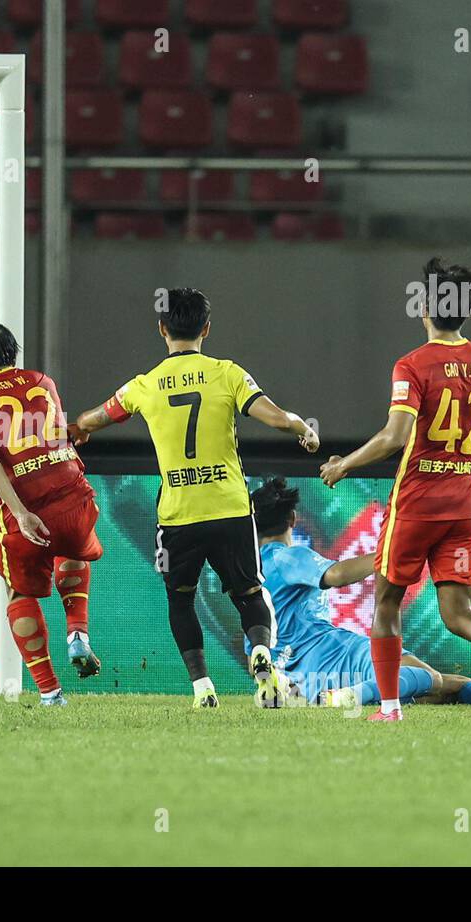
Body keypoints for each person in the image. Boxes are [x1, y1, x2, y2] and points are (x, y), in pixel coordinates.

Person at [70, 287, 319, 709]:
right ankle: (259, 649)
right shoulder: (227, 373)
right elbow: (277, 416)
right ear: (206, 328)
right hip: (230, 509)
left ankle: (202, 687)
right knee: (249, 593)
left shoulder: (143, 385)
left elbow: (94, 417)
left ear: (161, 328)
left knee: (180, 599)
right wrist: (303, 430)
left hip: (178, 516)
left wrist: (81, 428)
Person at [320, 258, 471, 723]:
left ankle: (389, 709)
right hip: (463, 508)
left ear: (424, 308)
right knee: (458, 612)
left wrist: (345, 464)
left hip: (417, 504)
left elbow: (394, 437)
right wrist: (468, 422)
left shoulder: (412, 365)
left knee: (386, 600)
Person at [250, 477, 471, 708]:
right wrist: (392, 555)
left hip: (298, 674)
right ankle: (354, 695)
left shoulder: (248, 570)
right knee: (434, 680)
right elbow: (337, 575)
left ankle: (333, 694)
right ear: (293, 519)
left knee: (438, 691)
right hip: (337, 654)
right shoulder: (287, 556)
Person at [0, 323, 102, 706]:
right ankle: (77, 633)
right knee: (73, 548)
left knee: (17, 592)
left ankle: (50, 693)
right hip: (77, 500)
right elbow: (32, 451)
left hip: (29, 511)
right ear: (13, 356)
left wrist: (19, 510)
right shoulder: (42, 382)